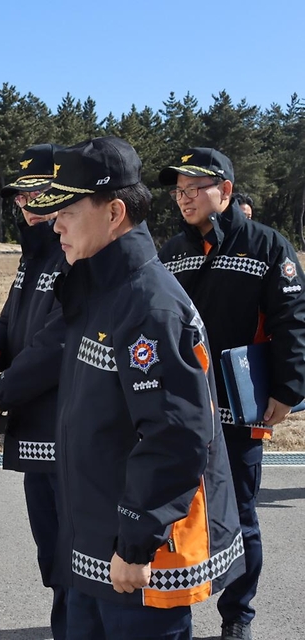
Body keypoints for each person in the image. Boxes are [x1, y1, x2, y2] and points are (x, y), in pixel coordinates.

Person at [24, 137, 244, 639]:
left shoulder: (150, 306)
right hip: (94, 542)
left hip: (135, 561)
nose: (56, 223)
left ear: (114, 211)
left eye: (69, 210)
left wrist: (137, 540)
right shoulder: (98, 289)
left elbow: (176, 435)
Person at [158, 147, 305, 640]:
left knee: (240, 515)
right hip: (177, 408)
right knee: (172, 510)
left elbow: (293, 322)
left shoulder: (267, 246)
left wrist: (287, 389)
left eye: (195, 188)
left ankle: (238, 614)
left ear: (225, 189)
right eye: (179, 190)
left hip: (241, 407)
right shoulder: (172, 251)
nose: (185, 198)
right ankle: (171, 607)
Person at [0, 143, 68, 639]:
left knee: (74, 556)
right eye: (21, 198)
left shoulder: (73, 255)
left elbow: (55, 345)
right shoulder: (35, 253)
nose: (27, 207)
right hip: (35, 432)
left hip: (64, 431)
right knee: (51, 550)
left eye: (39, 196)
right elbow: (13, 318)